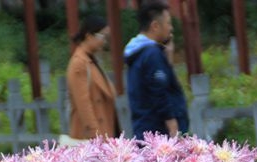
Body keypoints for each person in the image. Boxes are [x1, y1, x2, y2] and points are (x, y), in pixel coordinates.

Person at [123, 1, 189, 139]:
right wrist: (171, 122)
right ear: (155, 26)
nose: (171, 28)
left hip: (145, 129)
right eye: (168, 23)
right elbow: (159, 91)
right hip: (159, 134)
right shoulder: (152, 54)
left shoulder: (138, 52)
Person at [66, 15, 120, 141]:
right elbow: (84, 106)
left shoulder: (91, 60)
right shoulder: (79, 63)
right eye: (103, 37)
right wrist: (97, 140)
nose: (105, 42)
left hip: (104, 134)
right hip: (91, 141)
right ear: (89, 36)